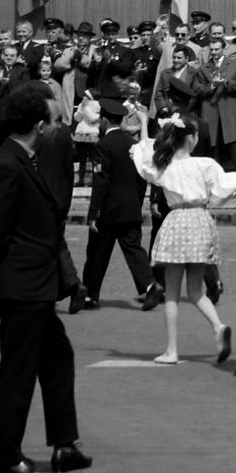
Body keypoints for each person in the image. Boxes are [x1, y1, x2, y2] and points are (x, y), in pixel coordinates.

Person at [0, 83, 89, 473]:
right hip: (23, 284)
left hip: (36, 282)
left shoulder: (24, 158)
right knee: (19, 370)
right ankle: (5, 455)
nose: (56, 128)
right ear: (37, 124)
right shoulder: (7, 165)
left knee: (57, 358)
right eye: (52, 121)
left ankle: (64, 444)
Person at [131, 116, 236, 365]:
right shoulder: (205, 164)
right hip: (200, 219)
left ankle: (172, 349)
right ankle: (218, 326)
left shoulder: (165, 165)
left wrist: (143, 125)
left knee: (172, 292)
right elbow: (225, 186)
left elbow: (144, 156)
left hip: (177, 220)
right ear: (190, 138)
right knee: (195, 291)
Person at [79, 96, 158, 312]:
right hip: (130, 206)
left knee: (96, 253)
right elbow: (142, 175)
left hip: (109, 210)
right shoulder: (132, 145)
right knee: (133, 249)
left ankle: (90, 295)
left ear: (104, 120)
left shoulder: (103, 146)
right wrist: (137, 201)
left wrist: (95, 211)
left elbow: (101, 181)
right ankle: (150, 285)